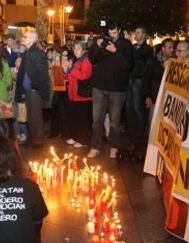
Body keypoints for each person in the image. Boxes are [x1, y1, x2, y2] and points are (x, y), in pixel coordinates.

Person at [87, 20, 133, 158]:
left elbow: (127, 65)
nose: (111, 34)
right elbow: (92, 59)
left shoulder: (126, 44)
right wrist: (96, 46)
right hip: (99, 87)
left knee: (114, 122)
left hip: (117, 89)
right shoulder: (102, 41)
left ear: (119, 30)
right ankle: (95, 147)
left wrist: (116, 51)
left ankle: (114, 146)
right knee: (97, 121)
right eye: (109, 31)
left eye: (114, 31)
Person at [15, 28, 50, 147]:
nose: (22, 38)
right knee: (30, 115)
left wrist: (35, 87)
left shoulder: (37, 53)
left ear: (32, 39)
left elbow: (43, 73)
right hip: (28, 89)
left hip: (34, 90)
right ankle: (33, 138)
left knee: (35, 116)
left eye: (25, 37)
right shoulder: (27, 52)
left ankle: (38, 140)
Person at [125, 26, 153, 151]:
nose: (135, 34)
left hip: (139, 80)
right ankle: (131, 131)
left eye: (138, 33)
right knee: (129, 107)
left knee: (137, 107)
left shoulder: (147, 49)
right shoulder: (134, 47)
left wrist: (129, 43)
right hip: (130, 79)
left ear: (144, 34)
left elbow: (134, 56)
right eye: (135, 32)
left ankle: (141, 132)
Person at [62, 40, 93, 148]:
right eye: (74, 48)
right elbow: (68, 77)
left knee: (82, 120)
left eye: (78, 48)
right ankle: (75, 137)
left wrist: (70, 69)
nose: (75, 51)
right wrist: (65, 71)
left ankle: (83, 140)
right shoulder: (77, 60)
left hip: (82, 96)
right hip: (73, 95)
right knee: (75, 118)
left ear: (83, 49)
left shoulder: (86, 60)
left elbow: (84, 75)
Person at [143, 38, 174, 122]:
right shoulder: (153, 61)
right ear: (163, 49)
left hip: (170, 99)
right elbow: (146, 79)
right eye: (169, 48)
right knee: (154, 121)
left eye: (173, 48)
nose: (172, 50)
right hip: (155, 97)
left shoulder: (175, 63)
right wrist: (147, 96)